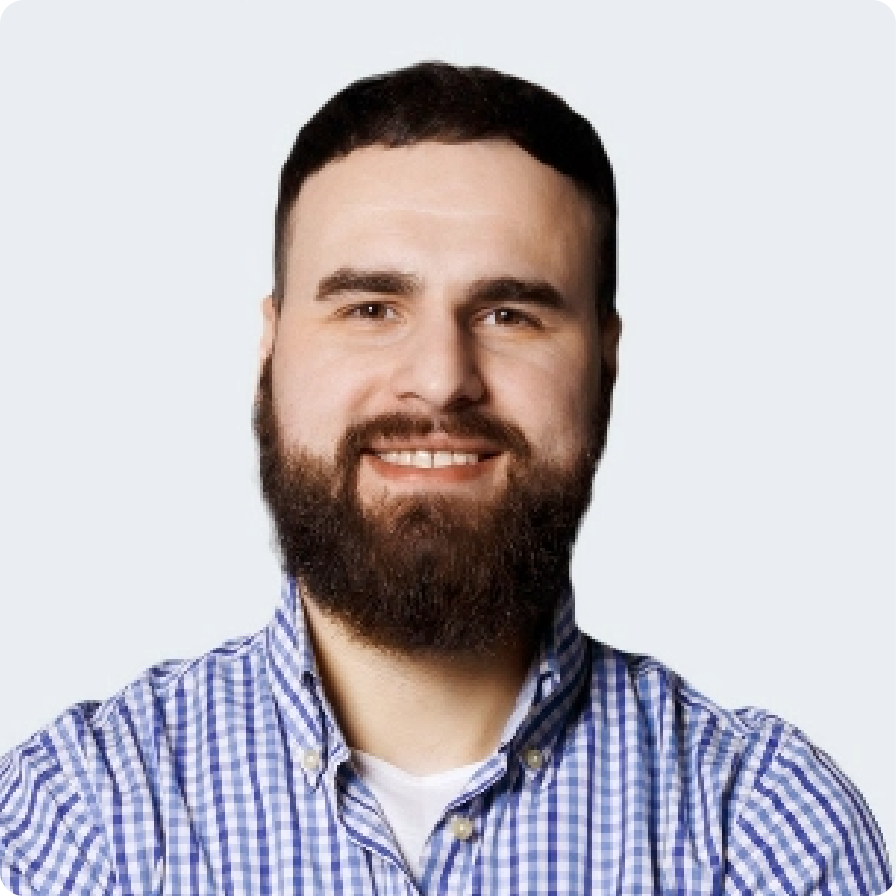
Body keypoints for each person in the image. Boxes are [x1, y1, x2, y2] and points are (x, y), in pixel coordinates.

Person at [0, 62, 890, 896]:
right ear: (270, 350)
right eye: (371, 307)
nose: (439, 378)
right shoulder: (81, 819)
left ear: (605, 362)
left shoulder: (763, 833)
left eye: (510, 314)